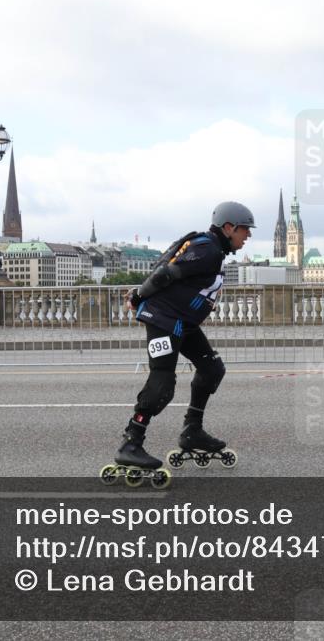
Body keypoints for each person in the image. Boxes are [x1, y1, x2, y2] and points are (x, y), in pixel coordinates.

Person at [113, 201, 254, 472]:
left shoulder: (212, 249)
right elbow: (166, 273)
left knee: (212, 369)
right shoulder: (207, 249)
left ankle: (192, 431)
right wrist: (138, 295)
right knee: (162, 382)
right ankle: (130, 443)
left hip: (182, 322)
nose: (247, 236)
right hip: (164, 319)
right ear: (228, 227)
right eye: (244, 230)